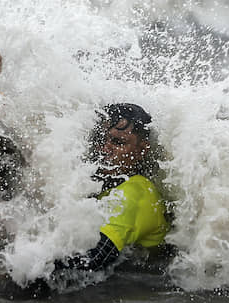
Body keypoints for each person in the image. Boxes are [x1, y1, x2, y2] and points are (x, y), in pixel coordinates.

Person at [52, 103, 168, 274]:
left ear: (142, 150)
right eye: (101, 139)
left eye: (118, 142)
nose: (104, 149)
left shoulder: (135, 192)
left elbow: (91, 261)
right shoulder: (103, 184)